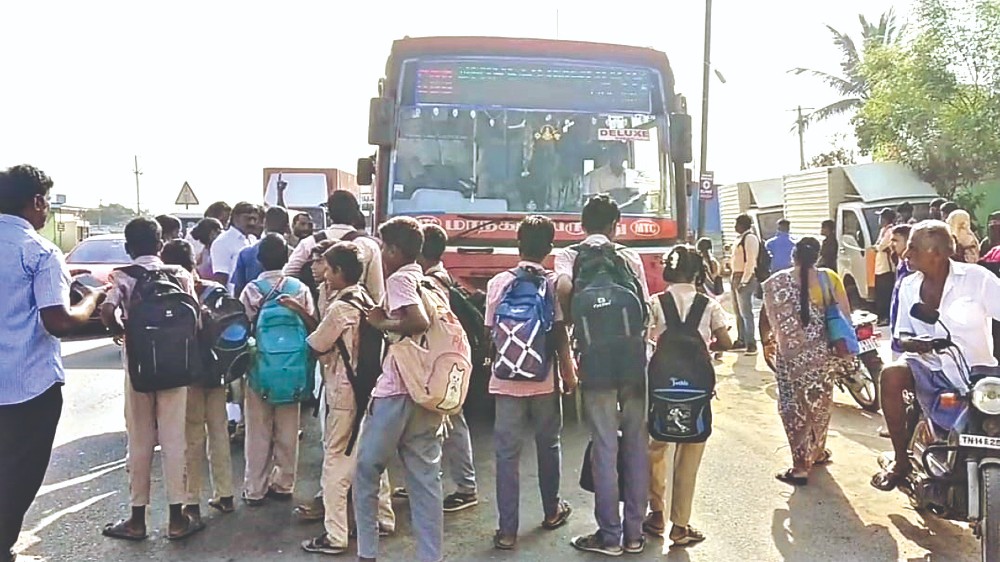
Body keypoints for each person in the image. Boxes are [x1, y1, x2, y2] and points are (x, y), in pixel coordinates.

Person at [0, 165, 107, 562]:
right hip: (27, 387)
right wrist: (92, 299)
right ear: (37, 201)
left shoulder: (41, 256)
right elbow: (59, 321)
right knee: (18, 475)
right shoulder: (39, 251)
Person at [554, 195, 649, 557]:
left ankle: (609, 537)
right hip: (632, 361)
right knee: (636, 445)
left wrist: (575, 317)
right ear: (615, 226)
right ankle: (635, 534)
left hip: (595, 362)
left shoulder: (569, 256)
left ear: (582, 225)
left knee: (605, 447)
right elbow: (643, 309)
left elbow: (563, 289)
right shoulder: (628, 257)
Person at [872, 222, 1000, 491]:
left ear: (937, 253)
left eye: (913, 248)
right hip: (927, 367)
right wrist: (915, 344)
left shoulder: (978, 279)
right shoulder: (908, 285)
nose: (906, 254)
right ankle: (901, 461)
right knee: (891, 375)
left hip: (976, 372)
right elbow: (901, 335)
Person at [100, 217, 202, 541]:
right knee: (174, 440)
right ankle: (177, 519)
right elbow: (195, 317)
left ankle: (137, 519)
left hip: (139, 369)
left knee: (140, 441)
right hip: (176, 367)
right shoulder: (180, 275)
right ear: (160, 245)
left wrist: (120, 331)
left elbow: (107, 310)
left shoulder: (123, 276)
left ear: (128, 248)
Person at [293, 242, 396, 555]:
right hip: (369, 389)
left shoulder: (340, 308)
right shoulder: (365, 299)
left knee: (336, 462)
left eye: (328, 269)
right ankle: (383, 518)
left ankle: (335, 534)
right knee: (371, 456)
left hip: (342, 392)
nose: (324, 275)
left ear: (339, 271)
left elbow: (316, 344)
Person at [353, 217, 444, 562]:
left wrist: (382, 323)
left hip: (396, 390)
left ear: (392, 250)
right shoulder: (429, 281)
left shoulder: (400, 279)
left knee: (367, 470)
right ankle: (430, 556)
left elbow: (418, 321)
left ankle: (367, 553)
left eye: (382, 246)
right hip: (426, 390)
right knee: (425, 480)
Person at [486, 216, 577, 550]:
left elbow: (491, 332)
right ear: (550, 248)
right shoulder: (552, 285)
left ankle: (507, 531)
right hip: (544, 381)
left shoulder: (499, 283)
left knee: (506, 455)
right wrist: (568, 371)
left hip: (505, 380)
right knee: (548, 445)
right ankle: (552, 511)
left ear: (518, 244)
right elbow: (560, 333)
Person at [644, 246, 732, 547]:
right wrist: (709, 344)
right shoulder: (709, 305)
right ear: (697, 273)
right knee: (690, 455)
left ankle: (657, 513)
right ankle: (680, 526)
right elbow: (726, 341)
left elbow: (645, 336)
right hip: (696, 390)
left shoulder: (656, 302)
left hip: (661, 388)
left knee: (657, 447)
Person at [160, 240, 237, 523]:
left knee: (192, 436)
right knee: (219, 430)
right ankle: (225, 494)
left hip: (189, 373)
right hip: (217, 369)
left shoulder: (172, 290)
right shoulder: (215, 289)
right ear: (194, 260)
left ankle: (191, 500)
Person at [763, 237, 851, 485]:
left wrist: (769, 342)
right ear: (817, 257)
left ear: (794, 256)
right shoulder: (829, 278)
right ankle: (817, 452)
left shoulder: (776, 283)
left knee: (793, 408)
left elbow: (767, 320)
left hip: (789, 358)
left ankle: (801, 466)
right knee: (819, 406)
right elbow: (845, 315)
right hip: (822, 356)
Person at [405, 223, 480, 512]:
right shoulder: (443, 278)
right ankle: (427, 478)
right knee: (441, 422)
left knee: (452, 421)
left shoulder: (429, 284)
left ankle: (466, 486)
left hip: (442, 364)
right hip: (450, 362)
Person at [238, 233, 314, 506]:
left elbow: (242, 327)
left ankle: (255, 488)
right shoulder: (299, 288)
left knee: (258, 429)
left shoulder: (252, 290)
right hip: (292, 367)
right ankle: (284, 483)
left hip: (260, 365)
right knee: (288, 428)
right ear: (287, 258)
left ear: (259, 260)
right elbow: (311, 324)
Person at [285, 190, 384, 303]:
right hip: (354, 310)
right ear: (356, 214)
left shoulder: (309, 243)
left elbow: (287, 275)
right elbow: (377, 292)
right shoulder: (369, 246)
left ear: (329, 214)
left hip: (316, 311)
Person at [231, 206, 291, 299]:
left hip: (251, 304)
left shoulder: (246, 253)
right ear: (287, 227)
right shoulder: (293, 254)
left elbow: (238, 290)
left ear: (264, 223)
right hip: (286, 306)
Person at [211, 201, 259, 293]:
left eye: (254, 219)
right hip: (234, 295)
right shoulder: (223, 241)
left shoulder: (253, 239)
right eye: (248, 219)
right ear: (235, 217)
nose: (252, 223)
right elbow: (221, 277)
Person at [731, 214, 760, 354]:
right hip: (735, 276)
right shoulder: (739, 239)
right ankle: (741, 339)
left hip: (744, 277)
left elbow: (751, 261)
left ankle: (751, 343)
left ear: (743, 225)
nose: (735, 227)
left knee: (746, 312)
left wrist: (744, 281)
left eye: (737, 224)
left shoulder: (750, 238)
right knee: (738, 312)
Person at [888, 224, 915, 361]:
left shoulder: (914, 269)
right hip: (898, 336)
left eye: (896, 240)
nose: (891, 245)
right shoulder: (901, 265)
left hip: (910, 340)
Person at [874, 208, 897, 325]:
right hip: (879, 266)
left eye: (881, 217)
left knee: (886, 293)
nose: (879, 220)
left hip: (887, 267)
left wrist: (877, 247)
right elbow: (877, 244)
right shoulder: (883, 230)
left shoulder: (890, 231)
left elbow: (881, 246)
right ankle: (881, 316)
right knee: (880, 293)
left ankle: (886, 317)